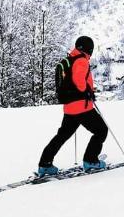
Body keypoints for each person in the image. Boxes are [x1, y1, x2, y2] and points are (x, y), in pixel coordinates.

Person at [37, 35, 108, 176]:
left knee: (62, 135)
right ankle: (91, 161)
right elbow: (79, 82)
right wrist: (87, 91)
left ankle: (45, 164)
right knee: (101, 130)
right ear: (89, 49)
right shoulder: (81, 61)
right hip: (82, 107)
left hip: (69, 108)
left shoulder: (70, 59)